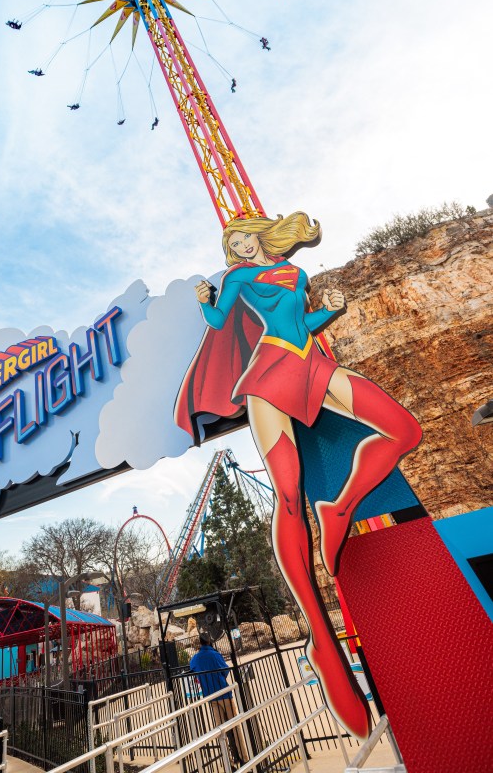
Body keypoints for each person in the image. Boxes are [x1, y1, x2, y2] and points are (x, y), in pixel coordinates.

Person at [176, 213, 423, 740]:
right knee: (287, 493)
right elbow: (220, 323)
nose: (240, 248)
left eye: (244, 239)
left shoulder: (294, 274)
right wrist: (203, 299)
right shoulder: (238, 279)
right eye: (232, 244)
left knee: (403, 430)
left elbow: (299, 323)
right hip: (266, 375)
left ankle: (338, 508)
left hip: (310, 361)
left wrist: (327, 313)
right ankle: (318, 633)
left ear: (262, 236)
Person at [189, 634, 247, 764]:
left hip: (211, 696)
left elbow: (192, 668)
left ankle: (228, 760)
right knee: (235, 726)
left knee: (220, 730)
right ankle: (244, 757)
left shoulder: (196, 658)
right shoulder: (215, 655)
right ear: (209, 641)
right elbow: (225, 670)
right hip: (224, 693)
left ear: (200, 643)